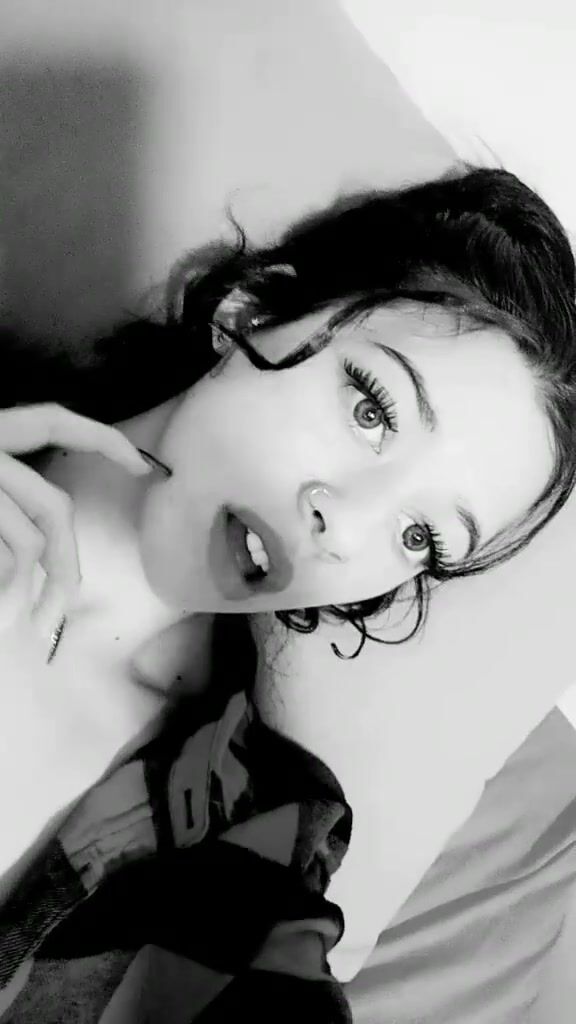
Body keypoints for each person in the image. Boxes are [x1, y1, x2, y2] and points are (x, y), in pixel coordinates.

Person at [0, 162, 575, 1021]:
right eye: (372, 410)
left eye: (419, 537)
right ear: (251, 312)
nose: (344, 528)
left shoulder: (250, 829)